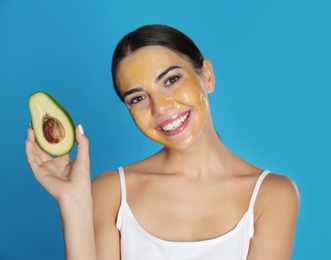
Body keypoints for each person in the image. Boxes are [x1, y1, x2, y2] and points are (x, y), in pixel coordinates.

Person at [26, 24, 299, 260]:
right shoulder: (111, 191)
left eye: (171, 80)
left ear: (207, 75)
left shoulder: (272, 195)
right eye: (137, 98)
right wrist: (74, 203)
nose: (160, 107)